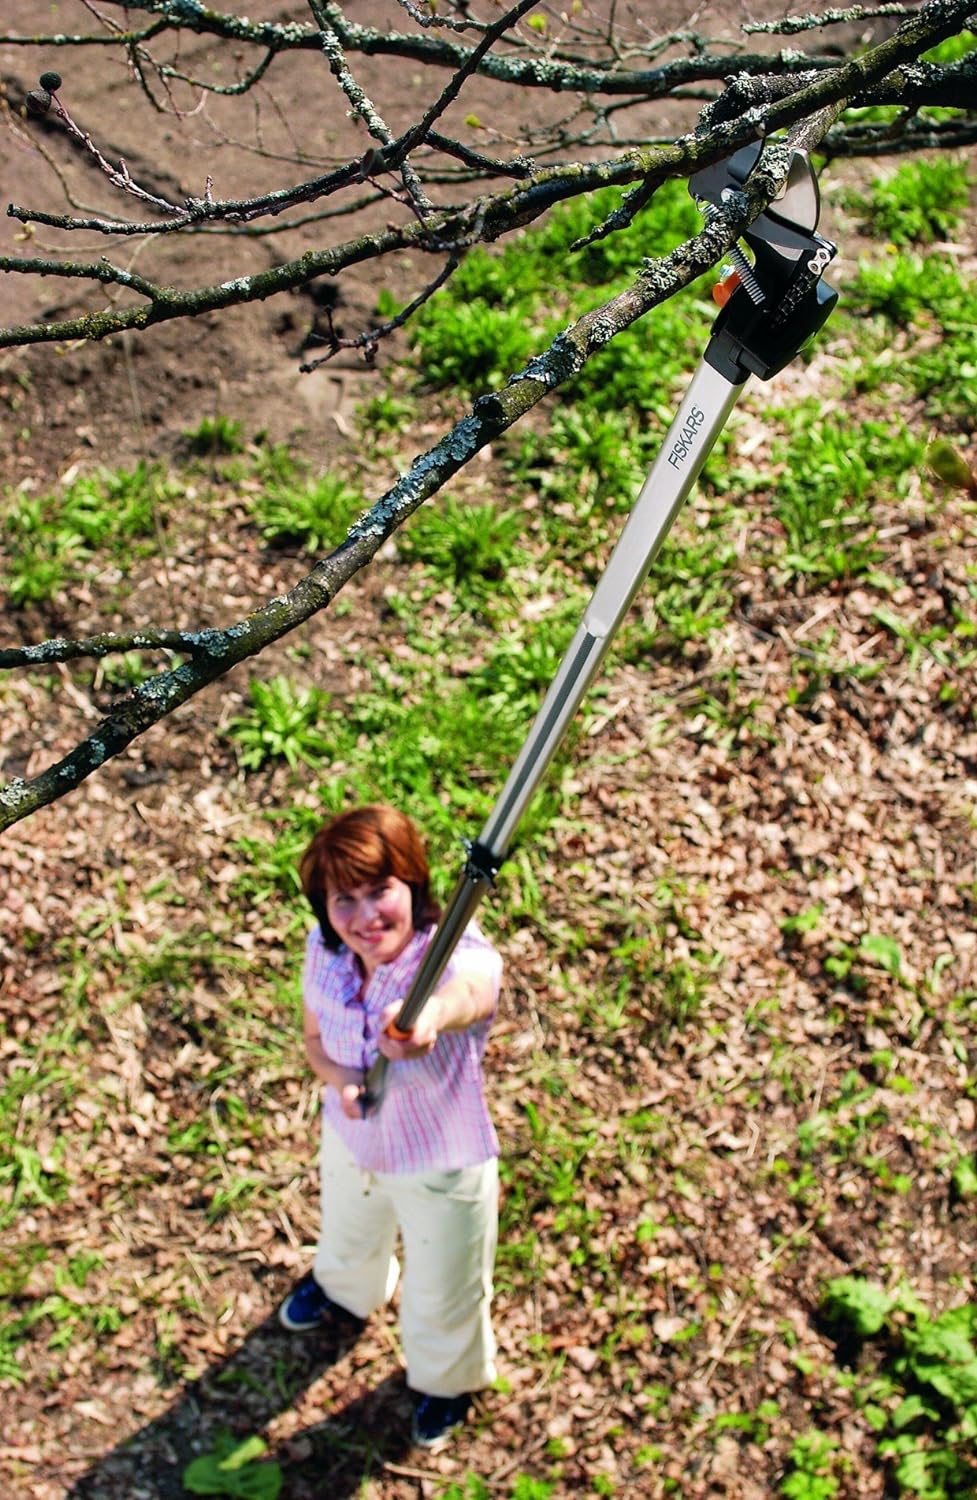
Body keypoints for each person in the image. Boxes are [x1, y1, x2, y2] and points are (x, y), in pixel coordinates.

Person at [278, 804, 502, 1451]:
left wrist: (428, 1015)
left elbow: (473, 991)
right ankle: (347, 1290)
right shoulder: (325, 952)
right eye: (343, 899)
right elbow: (315, 1039)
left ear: (413, 886)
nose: (365, 916)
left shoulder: (450, 953)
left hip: (439, 1157)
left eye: (380, 891)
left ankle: (444, 1381)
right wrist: (338, 1081)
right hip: (353, 1135)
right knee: (347, 1230)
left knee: (445, 1282)